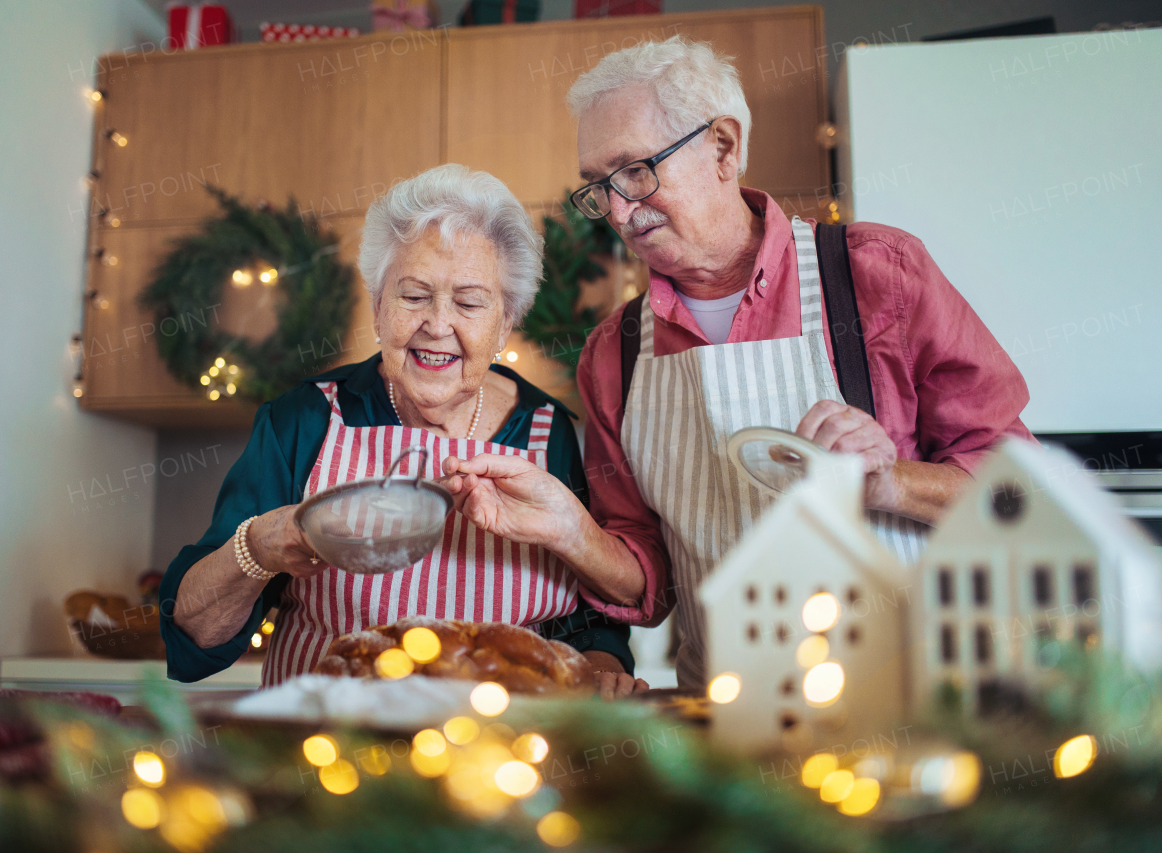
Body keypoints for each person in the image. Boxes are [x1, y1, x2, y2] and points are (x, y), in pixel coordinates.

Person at [441, 37, 1035, 690]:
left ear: (724, 146)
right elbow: (653, 583)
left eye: (635, 171)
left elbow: (1022, 493)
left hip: (918, 703)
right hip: (728, 724)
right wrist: (570, 529)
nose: (617, 210)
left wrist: (893, 482)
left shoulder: (877, 277)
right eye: (598, 188)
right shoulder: (614, 354)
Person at [159, 164, 646, 699]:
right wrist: (260, 545)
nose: (437, 325)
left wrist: (597, 670)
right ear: (377, 306)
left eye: (469, 302)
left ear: (506, 321)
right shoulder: (306, 419)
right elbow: (195, 635)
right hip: (326, 749)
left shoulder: (550, 433)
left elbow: (590, 619)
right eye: (413, 296)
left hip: (496, 752)